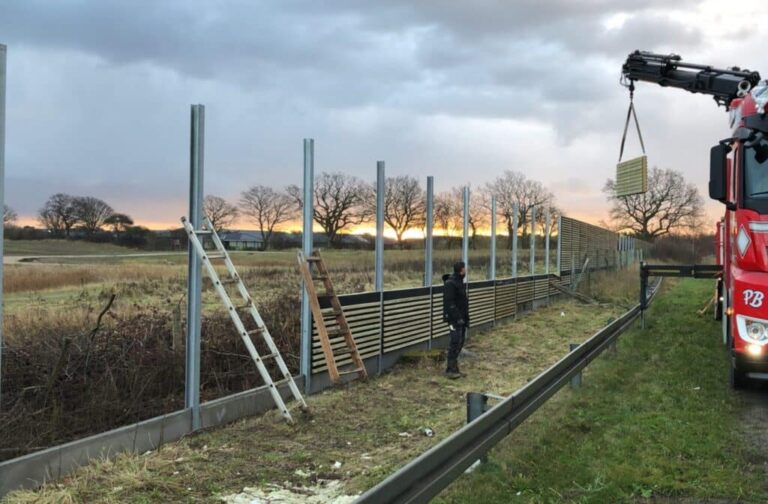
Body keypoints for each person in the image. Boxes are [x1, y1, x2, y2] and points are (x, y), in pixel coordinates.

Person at [442, 261, 469, 379]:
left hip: (461, 319)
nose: (466, 271)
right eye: (465, 269)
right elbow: (450, 303)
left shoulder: (459, 282)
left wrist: (465, 318)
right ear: (461, 270)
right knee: (455, 342)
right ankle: (450, 370)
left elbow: (462, 302)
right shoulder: (451, 284)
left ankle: (454, 368)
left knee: (460, 342)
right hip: (454, 319)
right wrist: (457, 317)